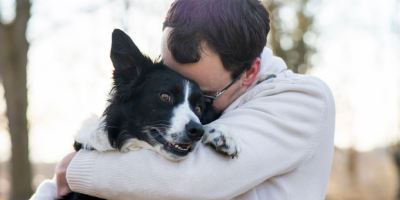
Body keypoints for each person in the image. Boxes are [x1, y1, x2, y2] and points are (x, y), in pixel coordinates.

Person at [31, 0, 335, 199]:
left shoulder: (303, 100)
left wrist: (76, 170)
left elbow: (184, 182)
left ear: (249, 72)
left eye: (201, 98)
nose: (193, 117)